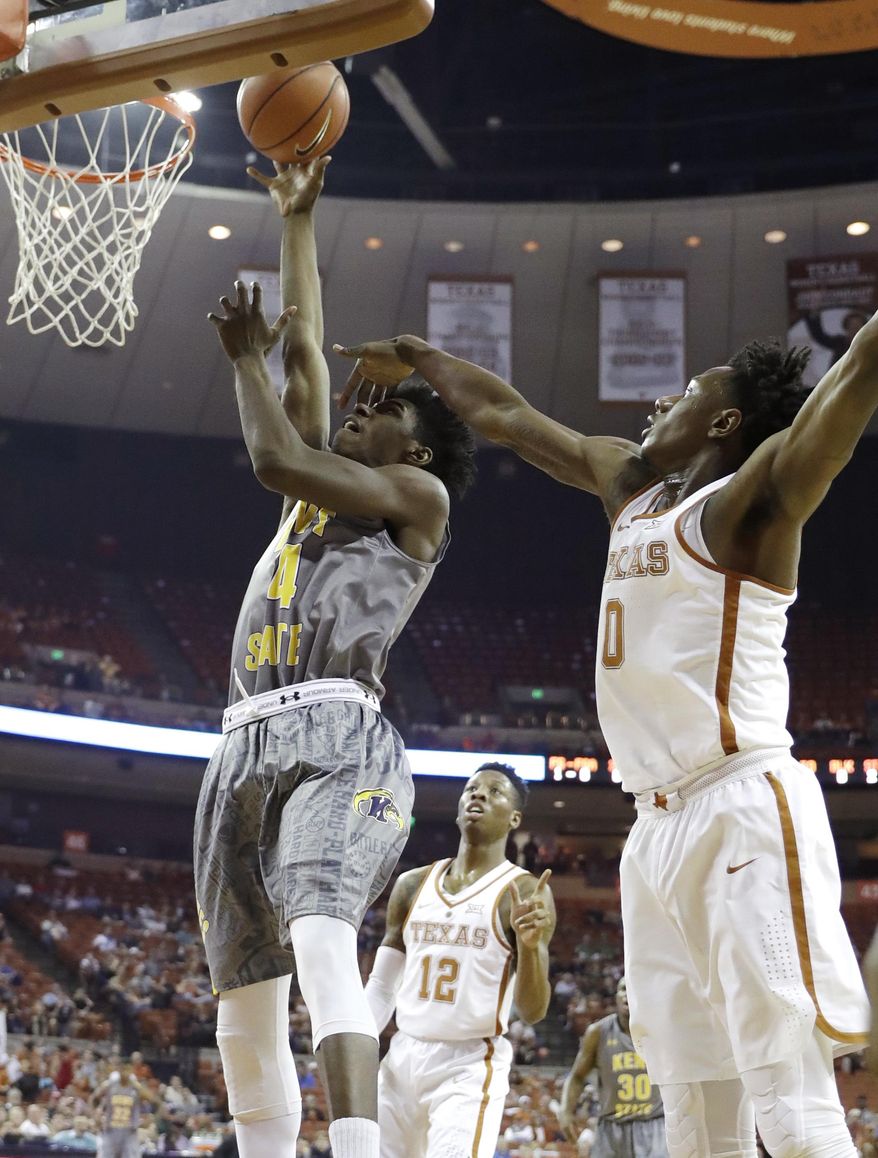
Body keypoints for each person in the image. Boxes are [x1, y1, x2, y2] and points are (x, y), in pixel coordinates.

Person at [334, 320, 878, 1156]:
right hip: (653, 830)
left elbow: (850, 385)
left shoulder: (750, 504)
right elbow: (507, 415)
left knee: (789, 1100)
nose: (666, 399)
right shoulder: (632, 489)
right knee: (695, 1112)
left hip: (741, 804)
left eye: (690, 392)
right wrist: (419, 361)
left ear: (726, 424)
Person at [196, 158, 476, 1158]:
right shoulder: (310, 492)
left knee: (320, 939)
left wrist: (240, 363)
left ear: (417, 450)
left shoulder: (419, 503)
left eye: (376, 414)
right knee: (243, 1001)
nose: (354, 411)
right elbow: (307, 349)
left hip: (335, 732)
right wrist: (297, 217)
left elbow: (273, 448)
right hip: (239, 739)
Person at [364, 762, 555, 1158]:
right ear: (458, 806)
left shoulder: (521, 891)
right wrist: (356, 1042)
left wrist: (532, 947)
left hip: (469, 1063)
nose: (479, 795)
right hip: (402, 1054)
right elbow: (383, 986)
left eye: (494, 792)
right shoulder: (412, 884)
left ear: (514, 818)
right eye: (471, 788)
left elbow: (533, 1011)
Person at [559, 977, 666, 1158]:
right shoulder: (598, 1032)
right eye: (623, 989)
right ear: (616, 996)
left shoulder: (661, 1030)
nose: (627, 994)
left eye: (633, 988)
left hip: (654, 1124)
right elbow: (577, 1076)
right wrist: (566, 1111)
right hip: (611, 1126)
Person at [92, 1060, 159, 1158]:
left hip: (129, 1131)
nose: (124, 1072)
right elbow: (94, 1098)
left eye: (127, 1069)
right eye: (122, 1069)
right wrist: (96, 1115)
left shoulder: (136, 1087)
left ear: (131, 1070)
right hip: (110, 1129)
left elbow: (155, 1102)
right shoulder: (111, 1083)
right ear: (118, 1069)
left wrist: (152, 1118)